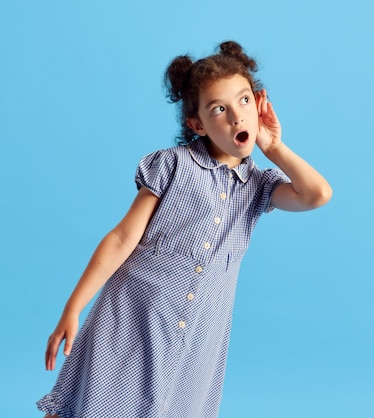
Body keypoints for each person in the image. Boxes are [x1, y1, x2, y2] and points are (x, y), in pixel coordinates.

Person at [37, 40, 332, 418]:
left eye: (243, 101)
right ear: (198, 125)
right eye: (219, 109)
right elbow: (123, 238)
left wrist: (274, 148)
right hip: (132, 315)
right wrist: (73, 307)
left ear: (259, 105)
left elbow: (317, 194)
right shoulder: (172, 166)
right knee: (88, 403)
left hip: (197, 336)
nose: (236, 118)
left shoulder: (260, 186)